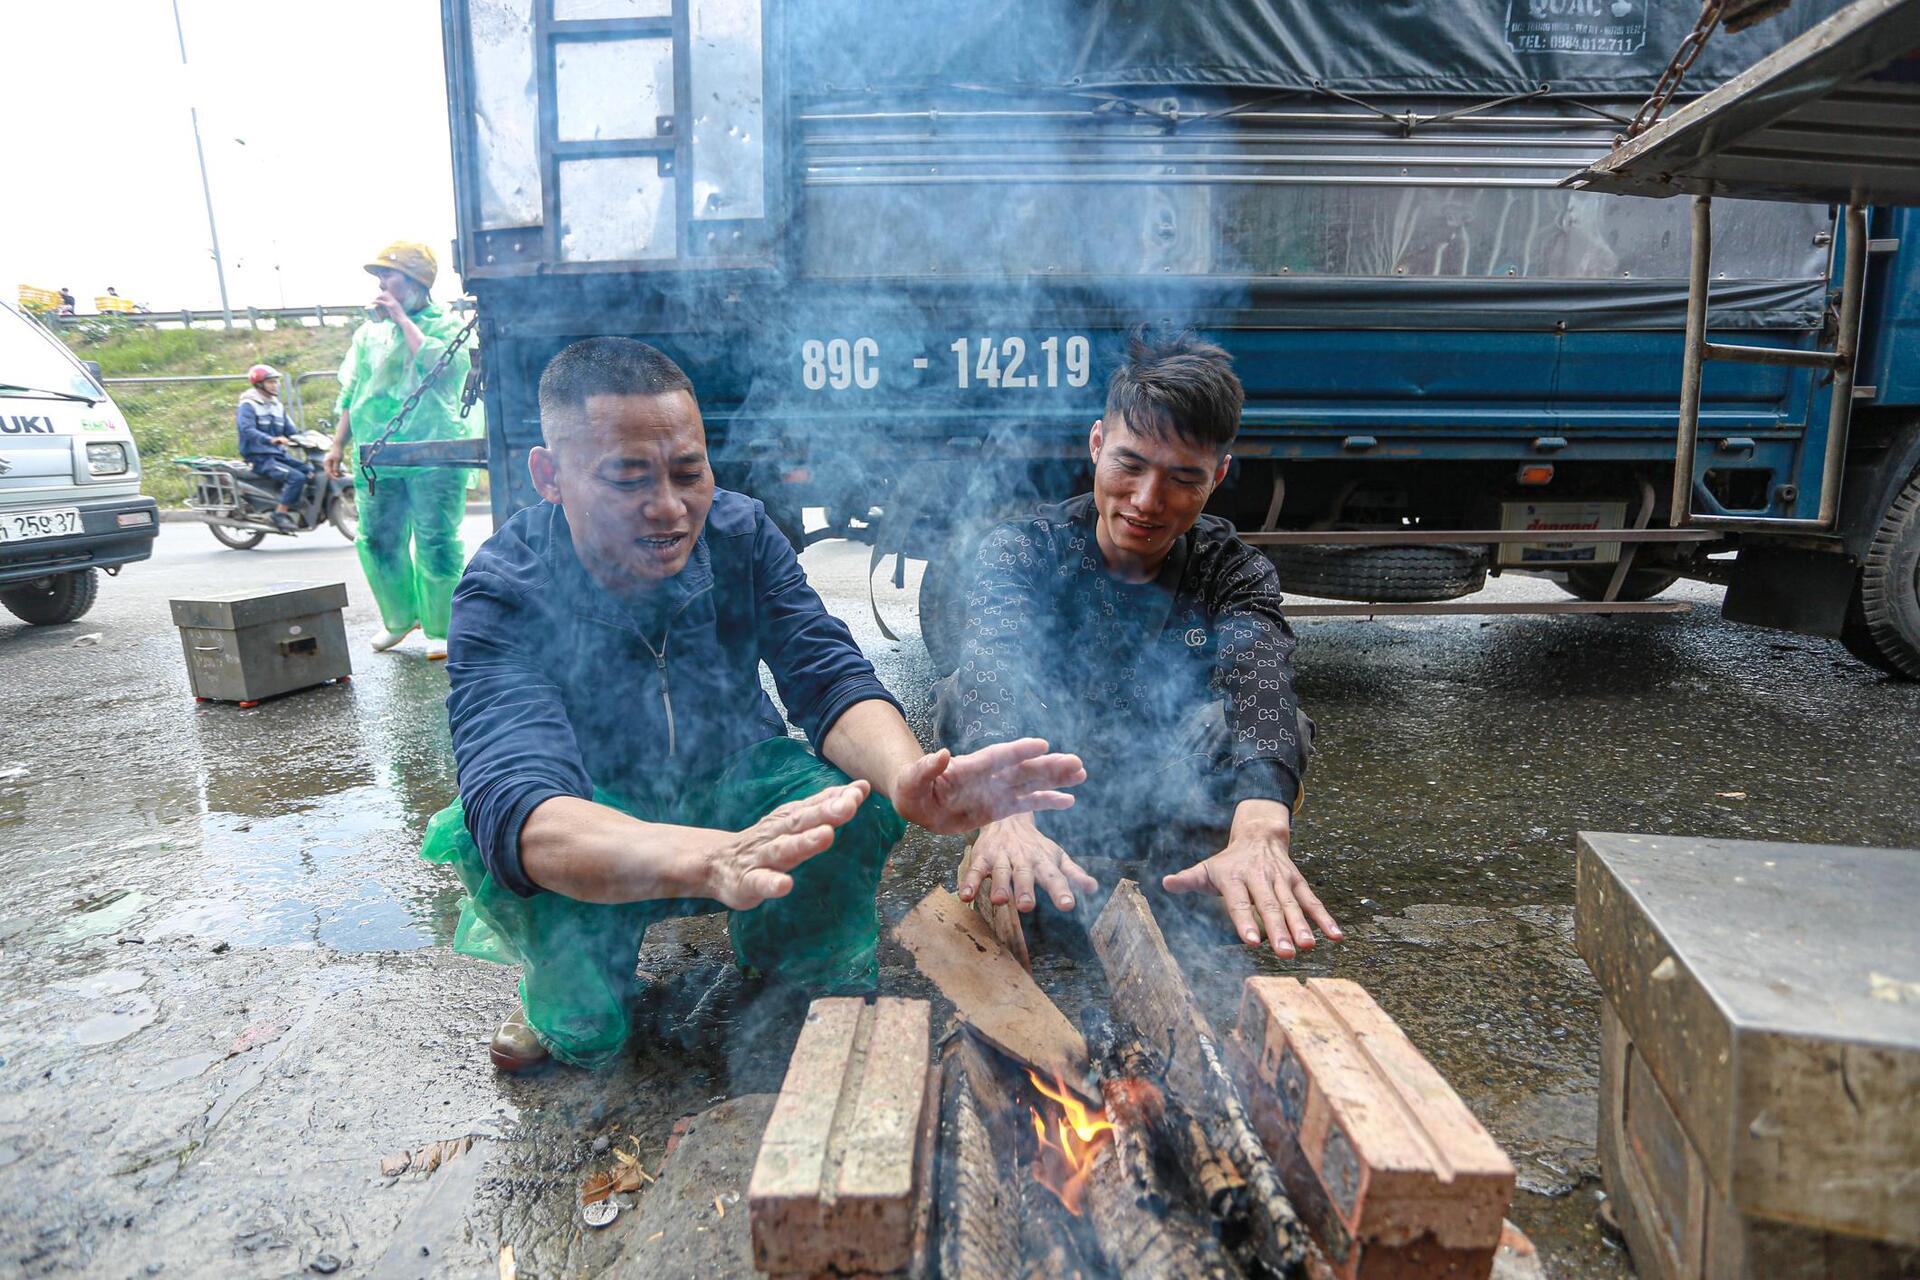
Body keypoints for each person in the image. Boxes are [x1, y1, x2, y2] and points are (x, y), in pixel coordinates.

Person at [422, 336, 1086, 1072]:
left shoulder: (740, 532)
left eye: (688, 472)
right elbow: (520, 806)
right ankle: (566, 994)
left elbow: (827, 676)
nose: (669, 509)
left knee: (849, 798)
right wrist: (709, 858)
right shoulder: (503, 589)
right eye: (627, 478)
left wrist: (907, 779)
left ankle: (794, 971)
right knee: (506, 857)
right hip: (594, 810)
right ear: (549, 476)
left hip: (736, 778)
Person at [941, 329, 1341, 959]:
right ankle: (1015, 846)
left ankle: (1204, 873)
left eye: (1184, 478)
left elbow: (1259, 682)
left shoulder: (1231, 569)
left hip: (1164, 787)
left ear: (1219, 477)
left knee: (1261, 721)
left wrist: (1265, 822)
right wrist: (1003, 809)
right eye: (1129, 465)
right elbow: (994, 666)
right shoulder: (1027, 548)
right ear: (1097, 444)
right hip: (1051, 783)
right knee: (963, 690)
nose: (1148, 502)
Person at [322, 242, 474, 659]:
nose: (382, 284)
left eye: (389, 276)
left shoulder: (444, 325)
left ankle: (442, 627)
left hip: (434, 449)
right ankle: (400, 619)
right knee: (377, 539)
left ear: (417, 281)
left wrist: (403, 319)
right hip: (377, 453)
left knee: (436, 539)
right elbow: (353, 392)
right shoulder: (368, 334)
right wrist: (338, 444)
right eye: (379, 278)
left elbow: (448, 371)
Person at [235, 364, 306, 532]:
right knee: (296, 477)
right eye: (271, 382)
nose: (276, 386)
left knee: (309, 470)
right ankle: (279, 514)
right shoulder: (249, 405)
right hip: (259, 457)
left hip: (278, 455)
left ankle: (296, 507)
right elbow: (247, 429)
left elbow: (291, 431)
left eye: (276, 382)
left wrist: (311, 437)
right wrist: (270, 439)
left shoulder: (277, 405)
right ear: (260, 384)